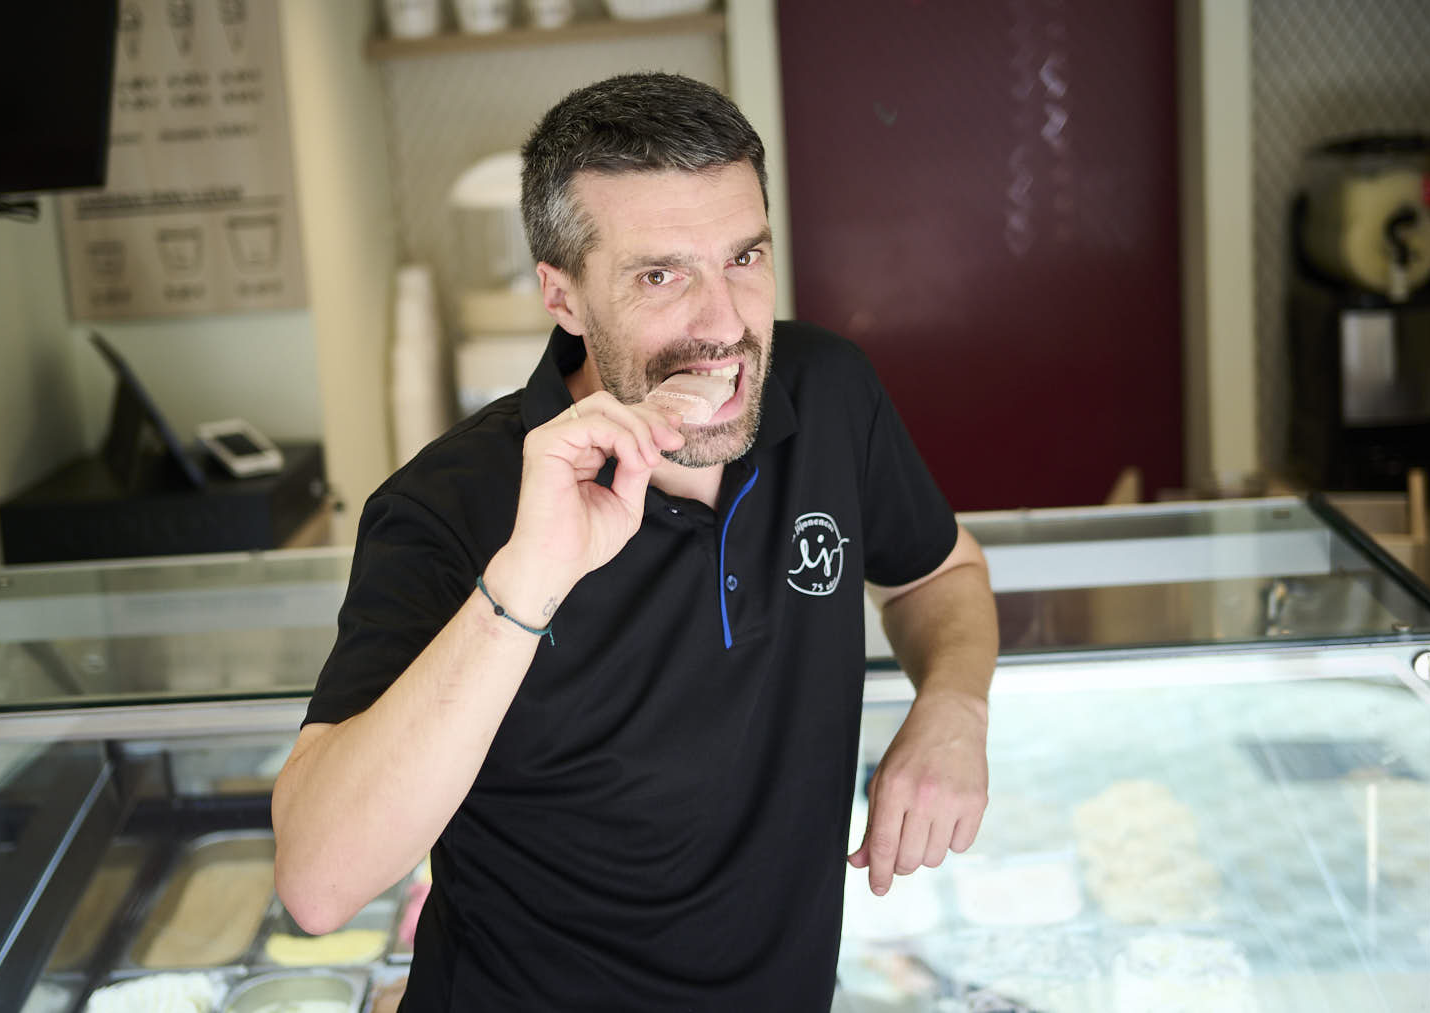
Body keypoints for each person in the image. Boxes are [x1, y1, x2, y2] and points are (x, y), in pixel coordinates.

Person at [272, 72, 996, 1011]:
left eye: (744, 256)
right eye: (661, 275)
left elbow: (937, 573)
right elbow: (320, 884)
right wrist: (527, 580)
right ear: (562, 296)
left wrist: (955, 708)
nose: (724, 323)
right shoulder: (444, 509)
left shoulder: (828, 393)